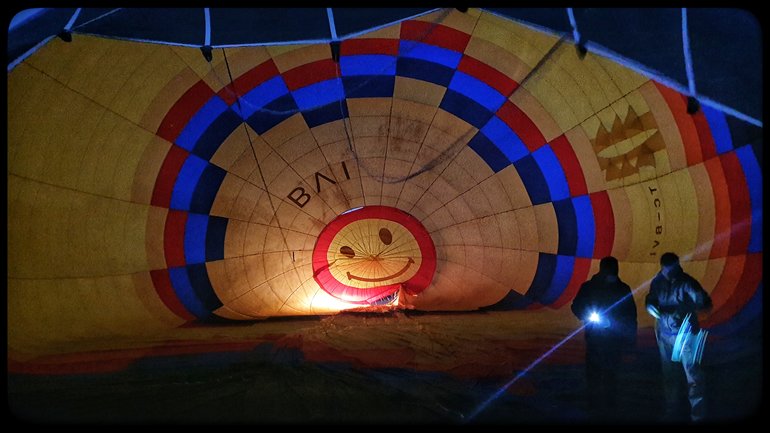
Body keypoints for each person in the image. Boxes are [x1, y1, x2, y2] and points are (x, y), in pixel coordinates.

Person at [645, 252, 712, 422]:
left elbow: (704, 302)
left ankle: (698, 415)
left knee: (693, 375)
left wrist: (684, 310)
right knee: (670, 375)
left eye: (670, 269)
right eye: (665, 270)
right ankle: (672, 411)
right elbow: (651, 298)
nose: (667, 273)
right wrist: (650, 305)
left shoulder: (687, 282)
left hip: (685, 334)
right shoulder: (657, 281)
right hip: (665, 333)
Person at [571, 256, 637, 421]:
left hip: (613, 339)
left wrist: (629, 340)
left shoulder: (622, 289)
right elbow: (576, 306)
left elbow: (630, 315)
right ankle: (595, 404)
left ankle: (609, 404)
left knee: (610, 373)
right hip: (595, 338)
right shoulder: (589, 287)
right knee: (594, 373)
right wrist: (586, 315)